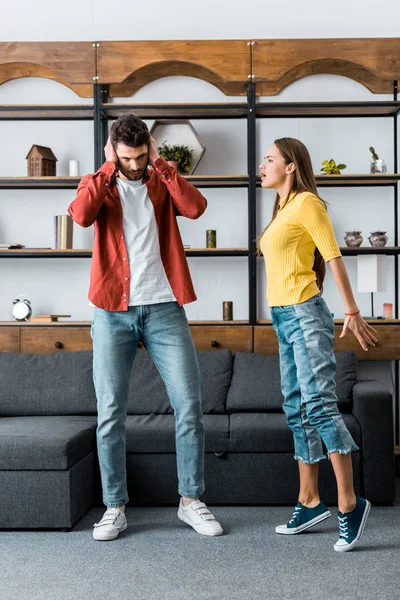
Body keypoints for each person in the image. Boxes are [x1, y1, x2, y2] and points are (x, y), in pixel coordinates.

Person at [68, 114, 223, 541]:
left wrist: (163, 164)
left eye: (140, 156)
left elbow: (196, 207)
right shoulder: (98, 182)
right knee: (110, 412)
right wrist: (105, 168)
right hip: (112, 311)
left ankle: (191, 501)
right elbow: (81, 215)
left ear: (149, 149)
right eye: (126, 158)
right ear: (112, 151)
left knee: (189, 404)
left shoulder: (159, 178)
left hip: (164, 308)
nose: (134, 166)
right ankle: (115, 507)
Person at [258, 137, 377, 552]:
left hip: (306, 314)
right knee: (296, 407)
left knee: (320, 406)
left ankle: (350, 503)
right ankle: (309, 501)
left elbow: (333, 256)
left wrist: (352, 310)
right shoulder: (282, 209)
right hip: (283, 316)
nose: (263, 164)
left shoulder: (308, 202)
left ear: (291, 166)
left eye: (270, 159)